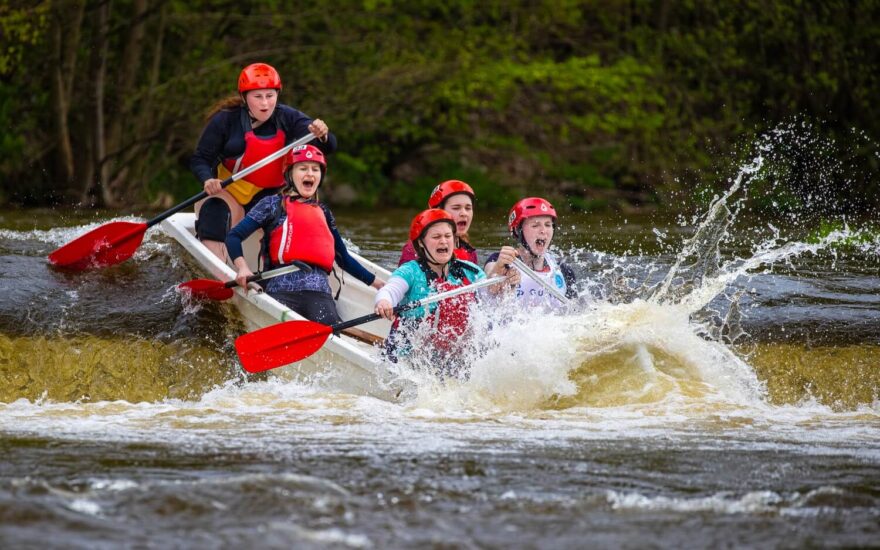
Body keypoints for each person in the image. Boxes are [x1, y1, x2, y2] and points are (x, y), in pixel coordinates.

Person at [191, 62, 337, 261]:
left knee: (286, 226)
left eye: (270, 96)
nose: (265, 104)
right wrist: (208, 179)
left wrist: (322, 134)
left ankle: (272, 278)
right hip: (228, 192)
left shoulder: (288, 117)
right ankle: (215, 267)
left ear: (277, 95)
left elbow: (328, 146)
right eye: (257, 96)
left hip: (268, 196)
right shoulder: (225, 121)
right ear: (244, 97)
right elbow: (200, 159)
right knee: (215, 214)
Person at [225, 144, 383, 326]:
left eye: (315, 169)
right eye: (303, 168)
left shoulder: (323, 212)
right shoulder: (272, 205)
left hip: (320, 294)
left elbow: (344, 259)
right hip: (281, 290)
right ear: (289, 174)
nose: (310, 174)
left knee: (332, 334)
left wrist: (379, 284)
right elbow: (233, 236)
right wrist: (242, 268)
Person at [375, 209, 519, 373]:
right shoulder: (410, 271)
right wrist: (384, 301)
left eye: (448, 236)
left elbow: (490, 295)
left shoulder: (469, 270)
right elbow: (390, 290)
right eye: (436, 237)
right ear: (421, 243)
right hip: (408, 356)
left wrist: (504, 278)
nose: (443, 241)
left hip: (452, 358)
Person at [484, 197, 578, 310]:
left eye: (548, 225)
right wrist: (499, 270)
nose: (543, 231)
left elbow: (576, 314)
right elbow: (490, 287)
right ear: (517, 231)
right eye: (535, 225)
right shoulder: (500, 260)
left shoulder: (563, 270)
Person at [397, 180, 478, 266]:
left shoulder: (470, 252)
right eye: (456, 208)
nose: (464, 213)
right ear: (438, 211)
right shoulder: (416, 248)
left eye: (468, 208)